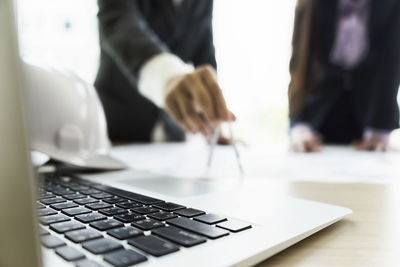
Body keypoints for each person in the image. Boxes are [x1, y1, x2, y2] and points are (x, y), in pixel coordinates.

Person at [95, 0, 234, 143]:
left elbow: (203, 44)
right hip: (117, 129)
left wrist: (212, 118)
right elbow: (119, 23)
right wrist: (171, 77)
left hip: (174, 134)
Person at [288, 0, 400, 152]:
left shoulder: (391, 5)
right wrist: (299, 125)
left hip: (369, 118)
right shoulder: (311, 4)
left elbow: (391, 65)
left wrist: (379, 129)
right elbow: (300, 66)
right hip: (316, 117)